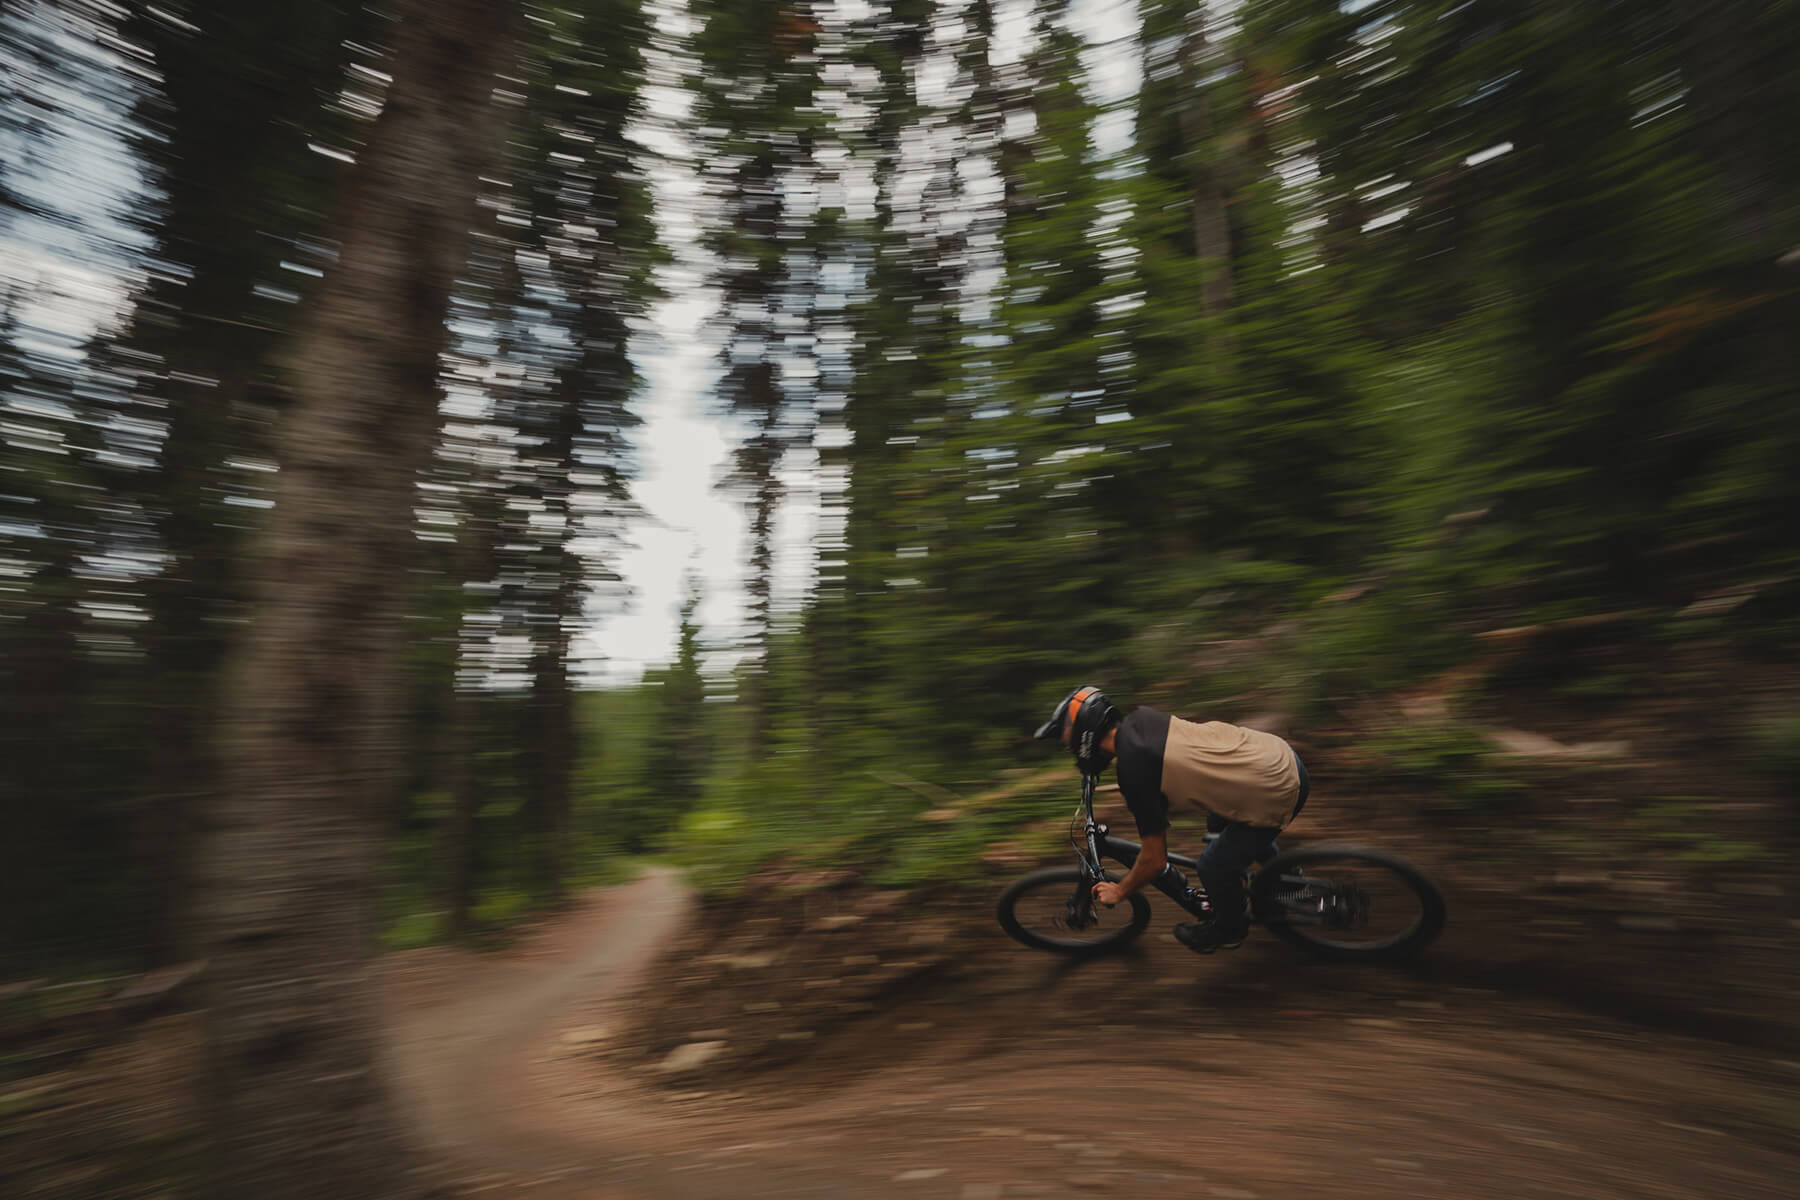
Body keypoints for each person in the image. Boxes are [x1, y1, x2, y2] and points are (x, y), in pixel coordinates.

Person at [1033, 686, 1310, 953]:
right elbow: (1174, 759)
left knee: (1212, 866)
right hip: (1275, 754)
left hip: (1277, 787)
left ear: (1083, 739)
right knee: (1218, 824)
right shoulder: (1141, 720)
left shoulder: (1134, 773)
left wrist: (1119, 891)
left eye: (1068, 747)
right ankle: (1284, 876)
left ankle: (1229, 929)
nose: (1071, 754)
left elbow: (1155, 861)